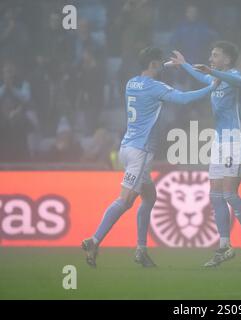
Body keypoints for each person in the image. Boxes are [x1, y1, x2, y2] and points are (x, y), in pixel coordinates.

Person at [81, 47, 218, 268]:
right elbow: (182, 99)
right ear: (154, 64)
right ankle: (94, 240)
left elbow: (151, 70)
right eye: (160, 63)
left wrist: (171, 64)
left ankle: (141, 250)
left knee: (150, 198)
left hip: (126, 147)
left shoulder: (131, 82)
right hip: (141, 151)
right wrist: (210, 87)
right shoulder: (155, 87)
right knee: (125, 201)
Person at [169, 41, 241, 268]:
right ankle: (224, 246)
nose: (211, 57)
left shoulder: (235, 76)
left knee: (229, 194)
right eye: (211, 54)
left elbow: (238, 81)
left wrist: (212, 72)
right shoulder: (214, 79)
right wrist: (184, 64)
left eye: (215, 54)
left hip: (236, 140)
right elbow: (202, 77)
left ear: (227, 59)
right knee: (215, 196)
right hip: (219, 142)